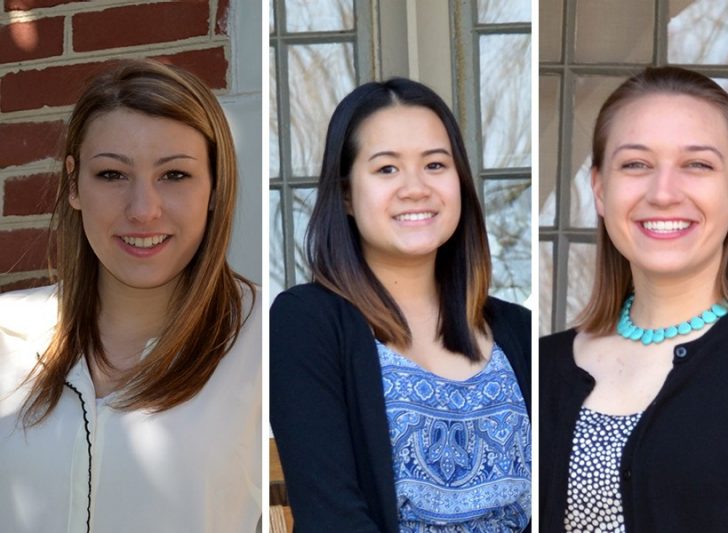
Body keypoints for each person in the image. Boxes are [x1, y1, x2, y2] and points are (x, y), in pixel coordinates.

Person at [0, 59, 261, 532]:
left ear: (214, 188)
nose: (143, 210)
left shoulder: (266, 337)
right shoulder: (6, 332)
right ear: (74, 184)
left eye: (175, 175)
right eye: (112, 175)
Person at [540, 66, 728, 532]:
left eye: (697, 164)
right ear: (600, 189)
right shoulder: (539, 369)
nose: (663, 193)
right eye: (636, 164)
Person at [270, 78, 532, 532]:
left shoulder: (520, 331)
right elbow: (333, 519)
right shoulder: (306, 324)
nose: (416, 188)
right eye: (387, 169)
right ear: (347, 194)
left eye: (435, 164)